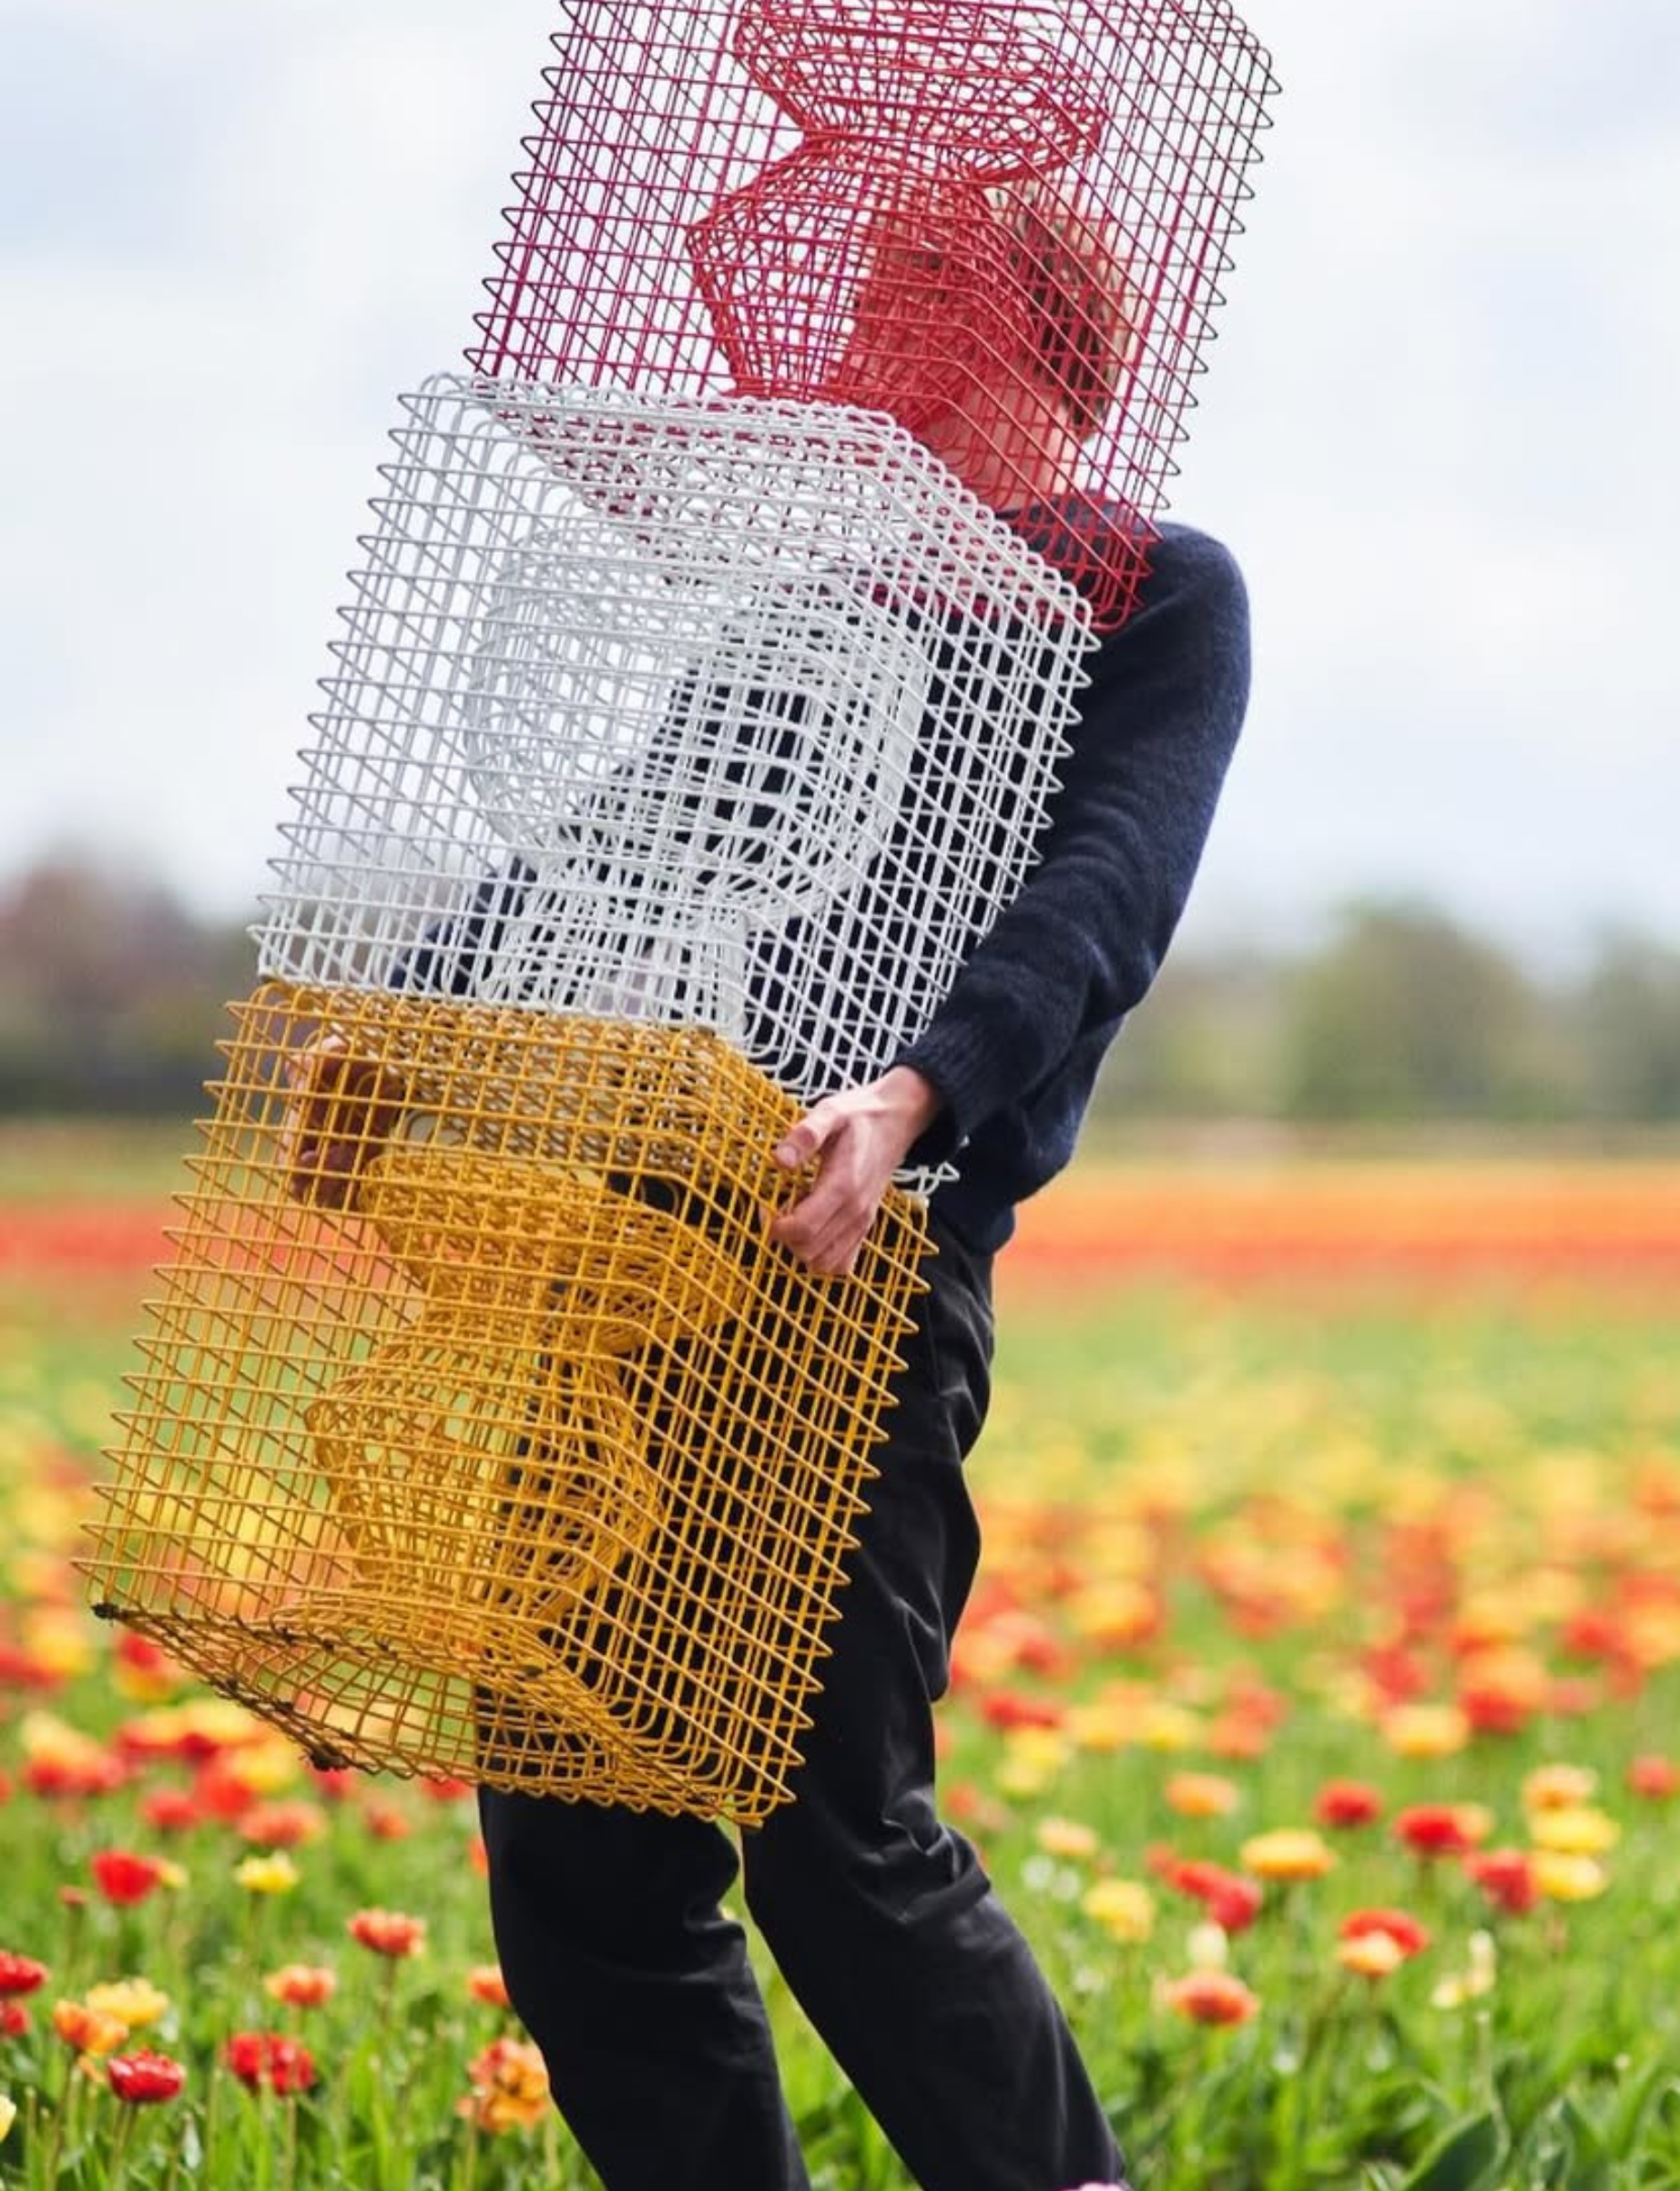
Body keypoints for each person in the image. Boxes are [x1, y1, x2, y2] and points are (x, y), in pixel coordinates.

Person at [288, 172, 1251, 2191]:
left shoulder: (1152, 590)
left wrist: (915, 1097)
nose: (868, 320)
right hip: (634, 1269)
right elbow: (621, 851)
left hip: (865, 1274)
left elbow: (1106, 898)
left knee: (835, 1834)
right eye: (873, 282)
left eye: (920, 286)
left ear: (1047, 343)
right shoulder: (818, 610)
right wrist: (415, 1034)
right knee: (577, 1838)